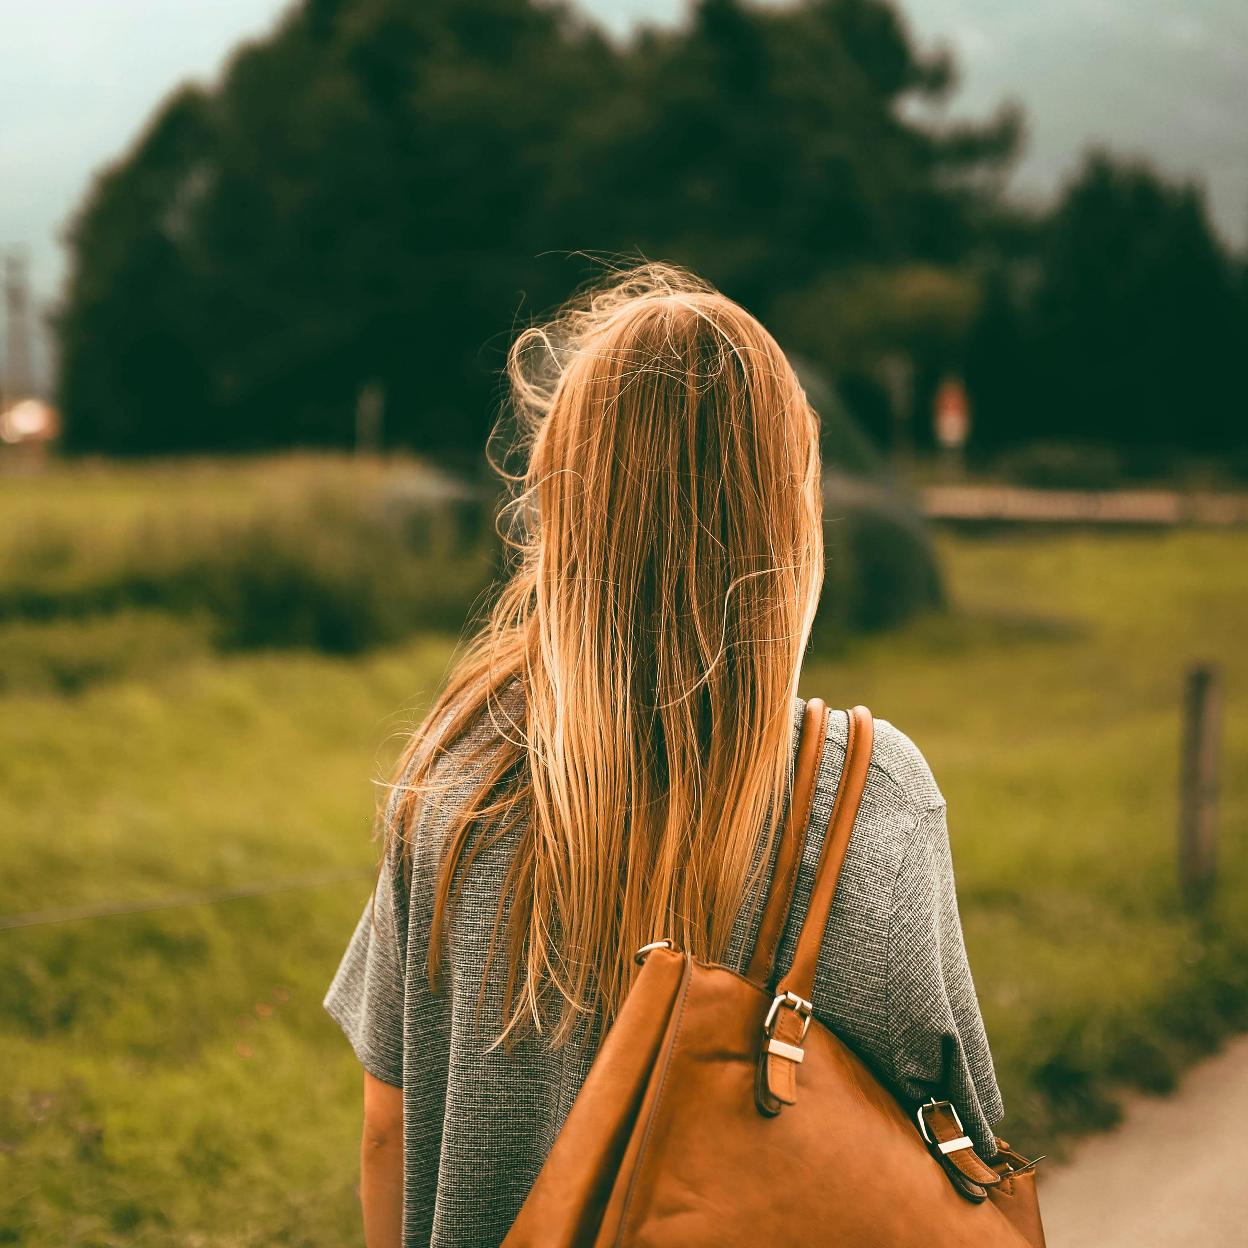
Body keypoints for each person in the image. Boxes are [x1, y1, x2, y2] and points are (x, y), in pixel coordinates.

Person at [324, 263, 1003, 1248]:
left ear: (564, 502)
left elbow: (389, 1128)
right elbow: (964, 1144)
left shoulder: (454, 784)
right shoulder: (869, 794)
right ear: (787, 510)